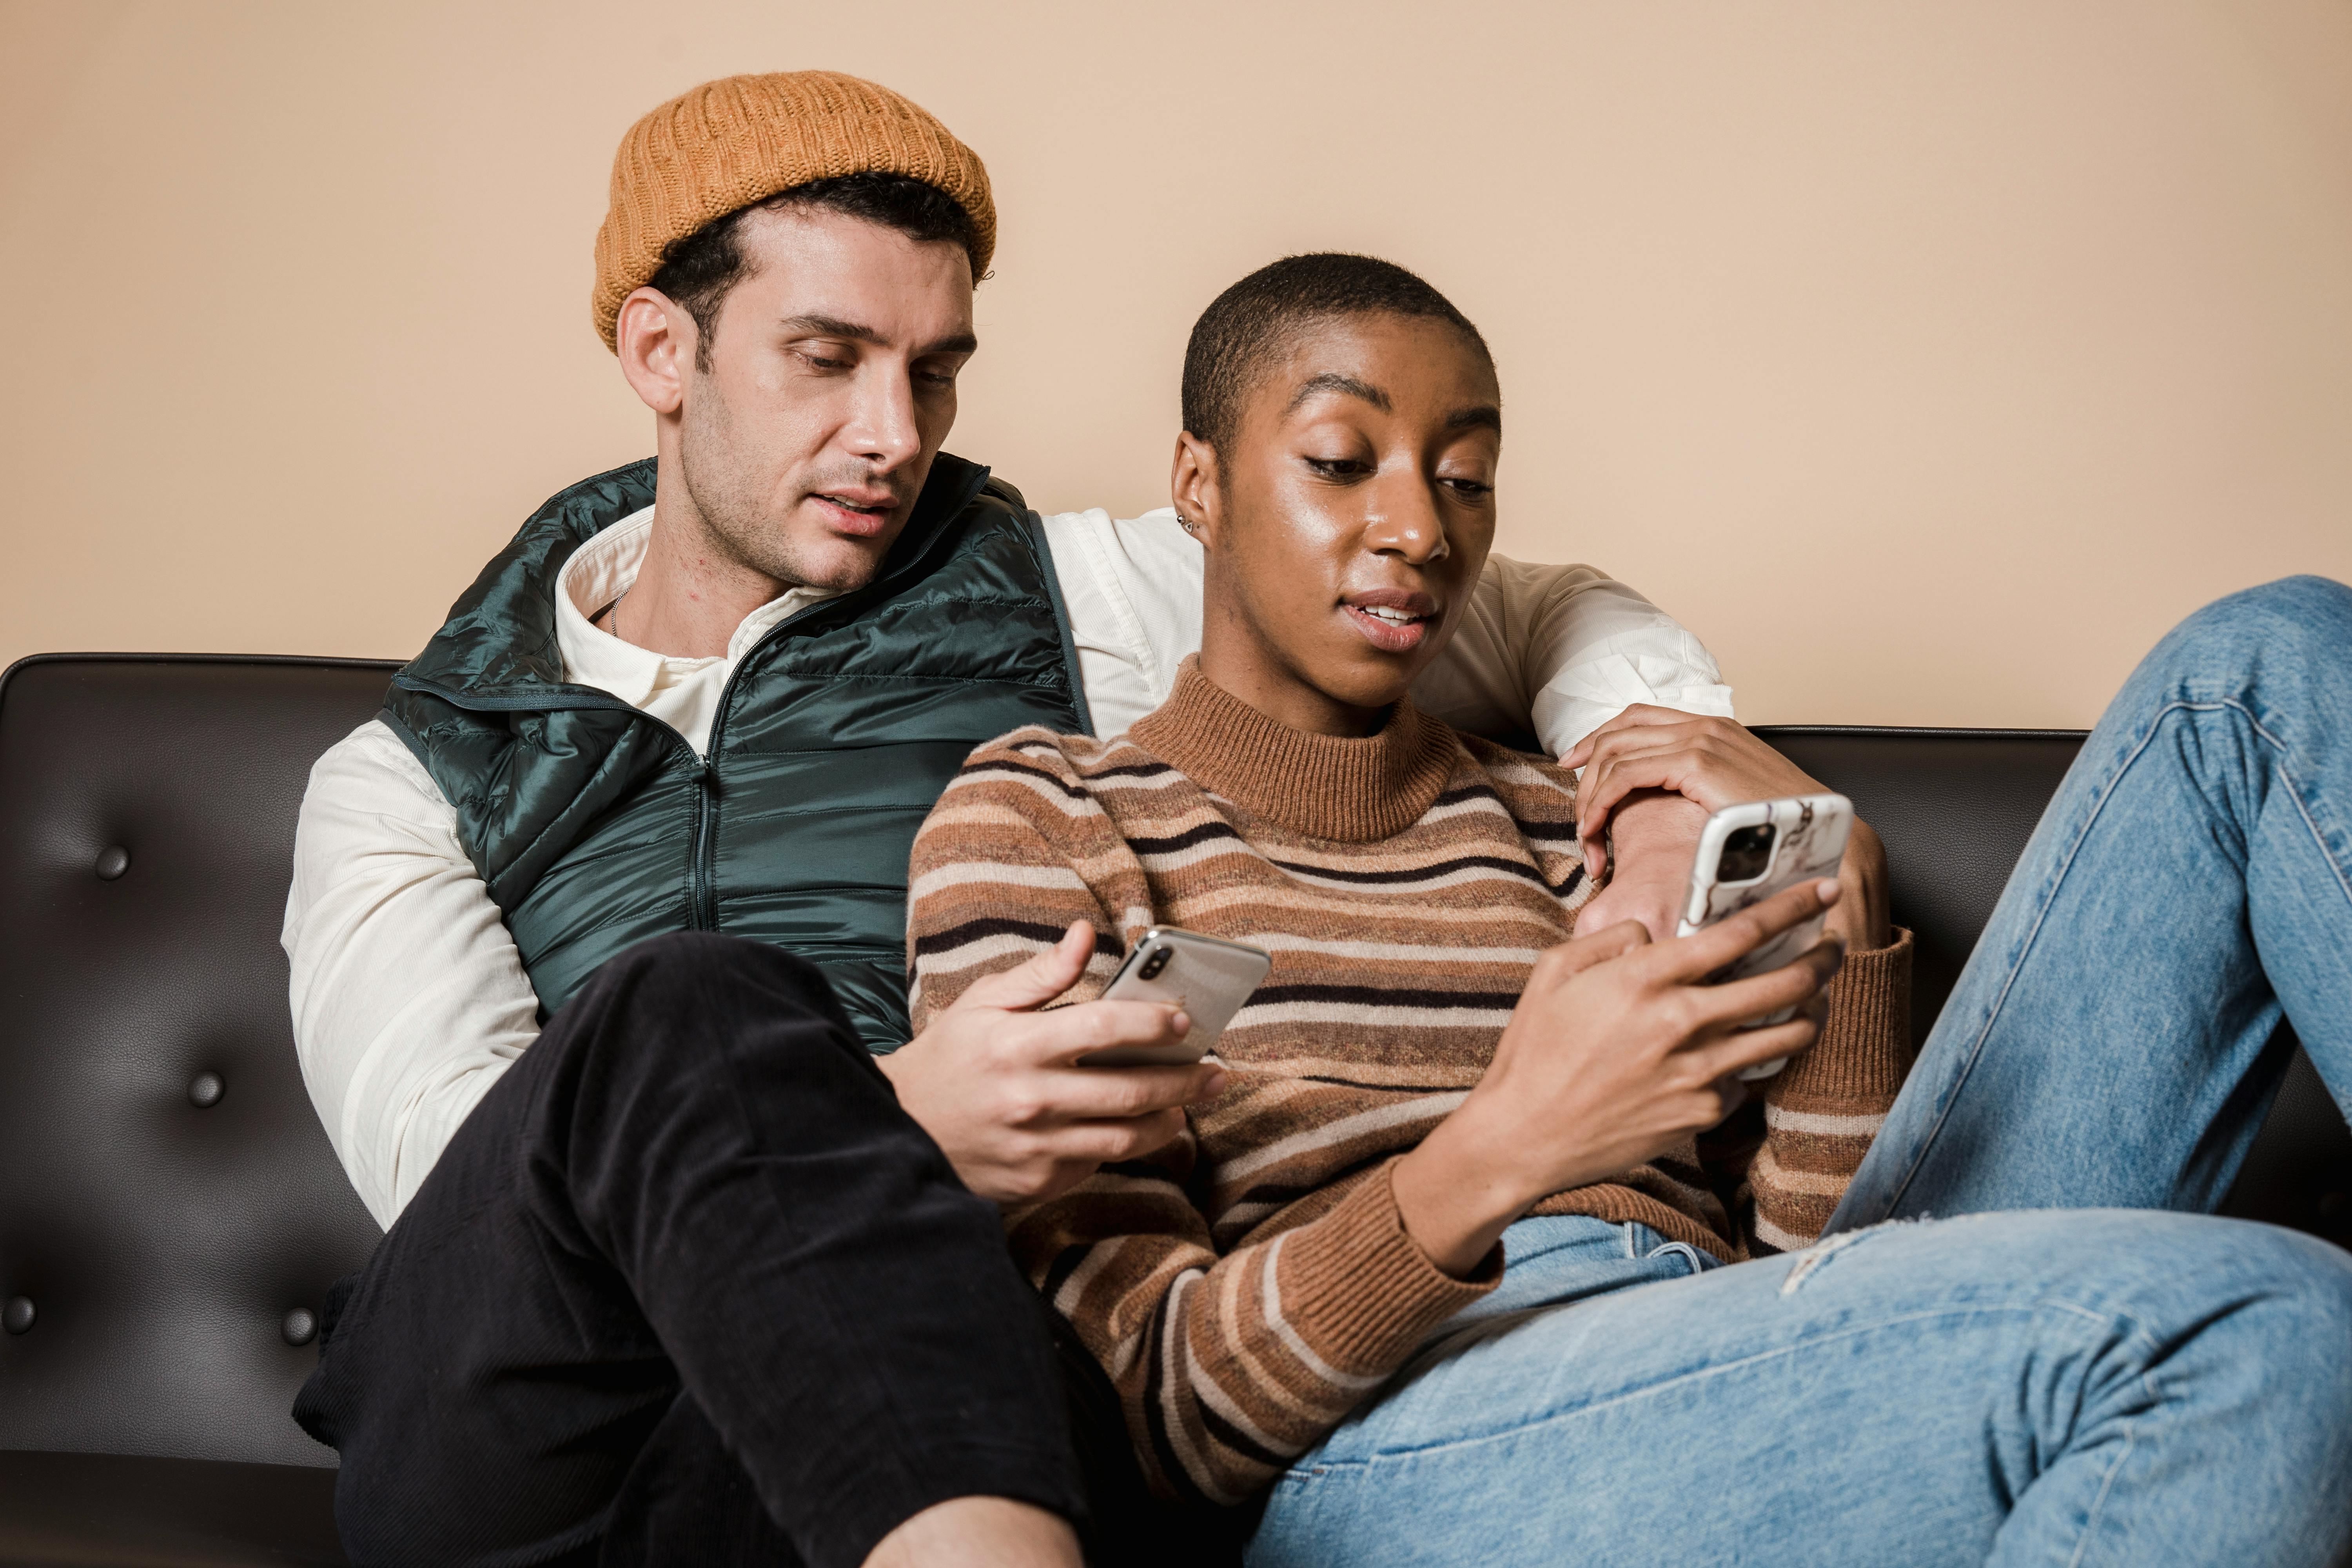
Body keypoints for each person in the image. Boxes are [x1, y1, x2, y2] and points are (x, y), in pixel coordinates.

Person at [282, 73, 1737, 1568]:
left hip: (895, 1429)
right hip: (540, 1443)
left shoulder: (1054, 589)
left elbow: (1534, 605)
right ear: (664, 349)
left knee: (1045, 1348)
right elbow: (471, 1196)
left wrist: (1667, 787)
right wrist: (902, 1125)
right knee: (692, 1005)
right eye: (828, 360)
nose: (891, 434)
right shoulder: (412, 774)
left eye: (933, 373)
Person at [905, 252, 2352, 1565]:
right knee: (2277, 1327)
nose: (1418, 526)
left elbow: (1811, 1270)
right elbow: (1168, 1417)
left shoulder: (1570, 818)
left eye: (1466, 478)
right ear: (1200, 483)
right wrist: (1513, 1140)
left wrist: (1845, 936)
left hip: (1722, 1350)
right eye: (1344, 462)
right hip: (1393, 1439)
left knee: (2267, 665)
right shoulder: (1048, 817)